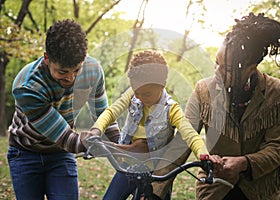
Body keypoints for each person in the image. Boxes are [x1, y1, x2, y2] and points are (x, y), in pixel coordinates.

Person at [184, 12, 280, 199]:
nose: (218, 73)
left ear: (251, 69)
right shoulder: (203, 90)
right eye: (216, 64)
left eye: (227, 69)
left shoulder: (276, 91)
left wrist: (244, 163)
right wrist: (158, 187)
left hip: (260, 190)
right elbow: (183, 137)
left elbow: (277, 147)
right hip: (215, 188)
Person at [7, 19, 119, 200]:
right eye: (62, 72)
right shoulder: (27, 87)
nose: (71, 78)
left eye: (76, 70)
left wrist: (120, 143)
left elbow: (103, 114)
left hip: (60, 155)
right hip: (25, 153)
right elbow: (67, 139)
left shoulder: (93, 71)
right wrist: (100, 145)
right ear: (46, 58)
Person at [89, 50, 213, 200]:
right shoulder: (134, 94)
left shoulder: (171, 110)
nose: (139, 98)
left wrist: (204, 154)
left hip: (157, 172)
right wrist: (97, 130)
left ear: (162, 85)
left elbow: (191, 135)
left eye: (146, 94)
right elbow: (112, 111)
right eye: (136, 92)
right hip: (128, 165)